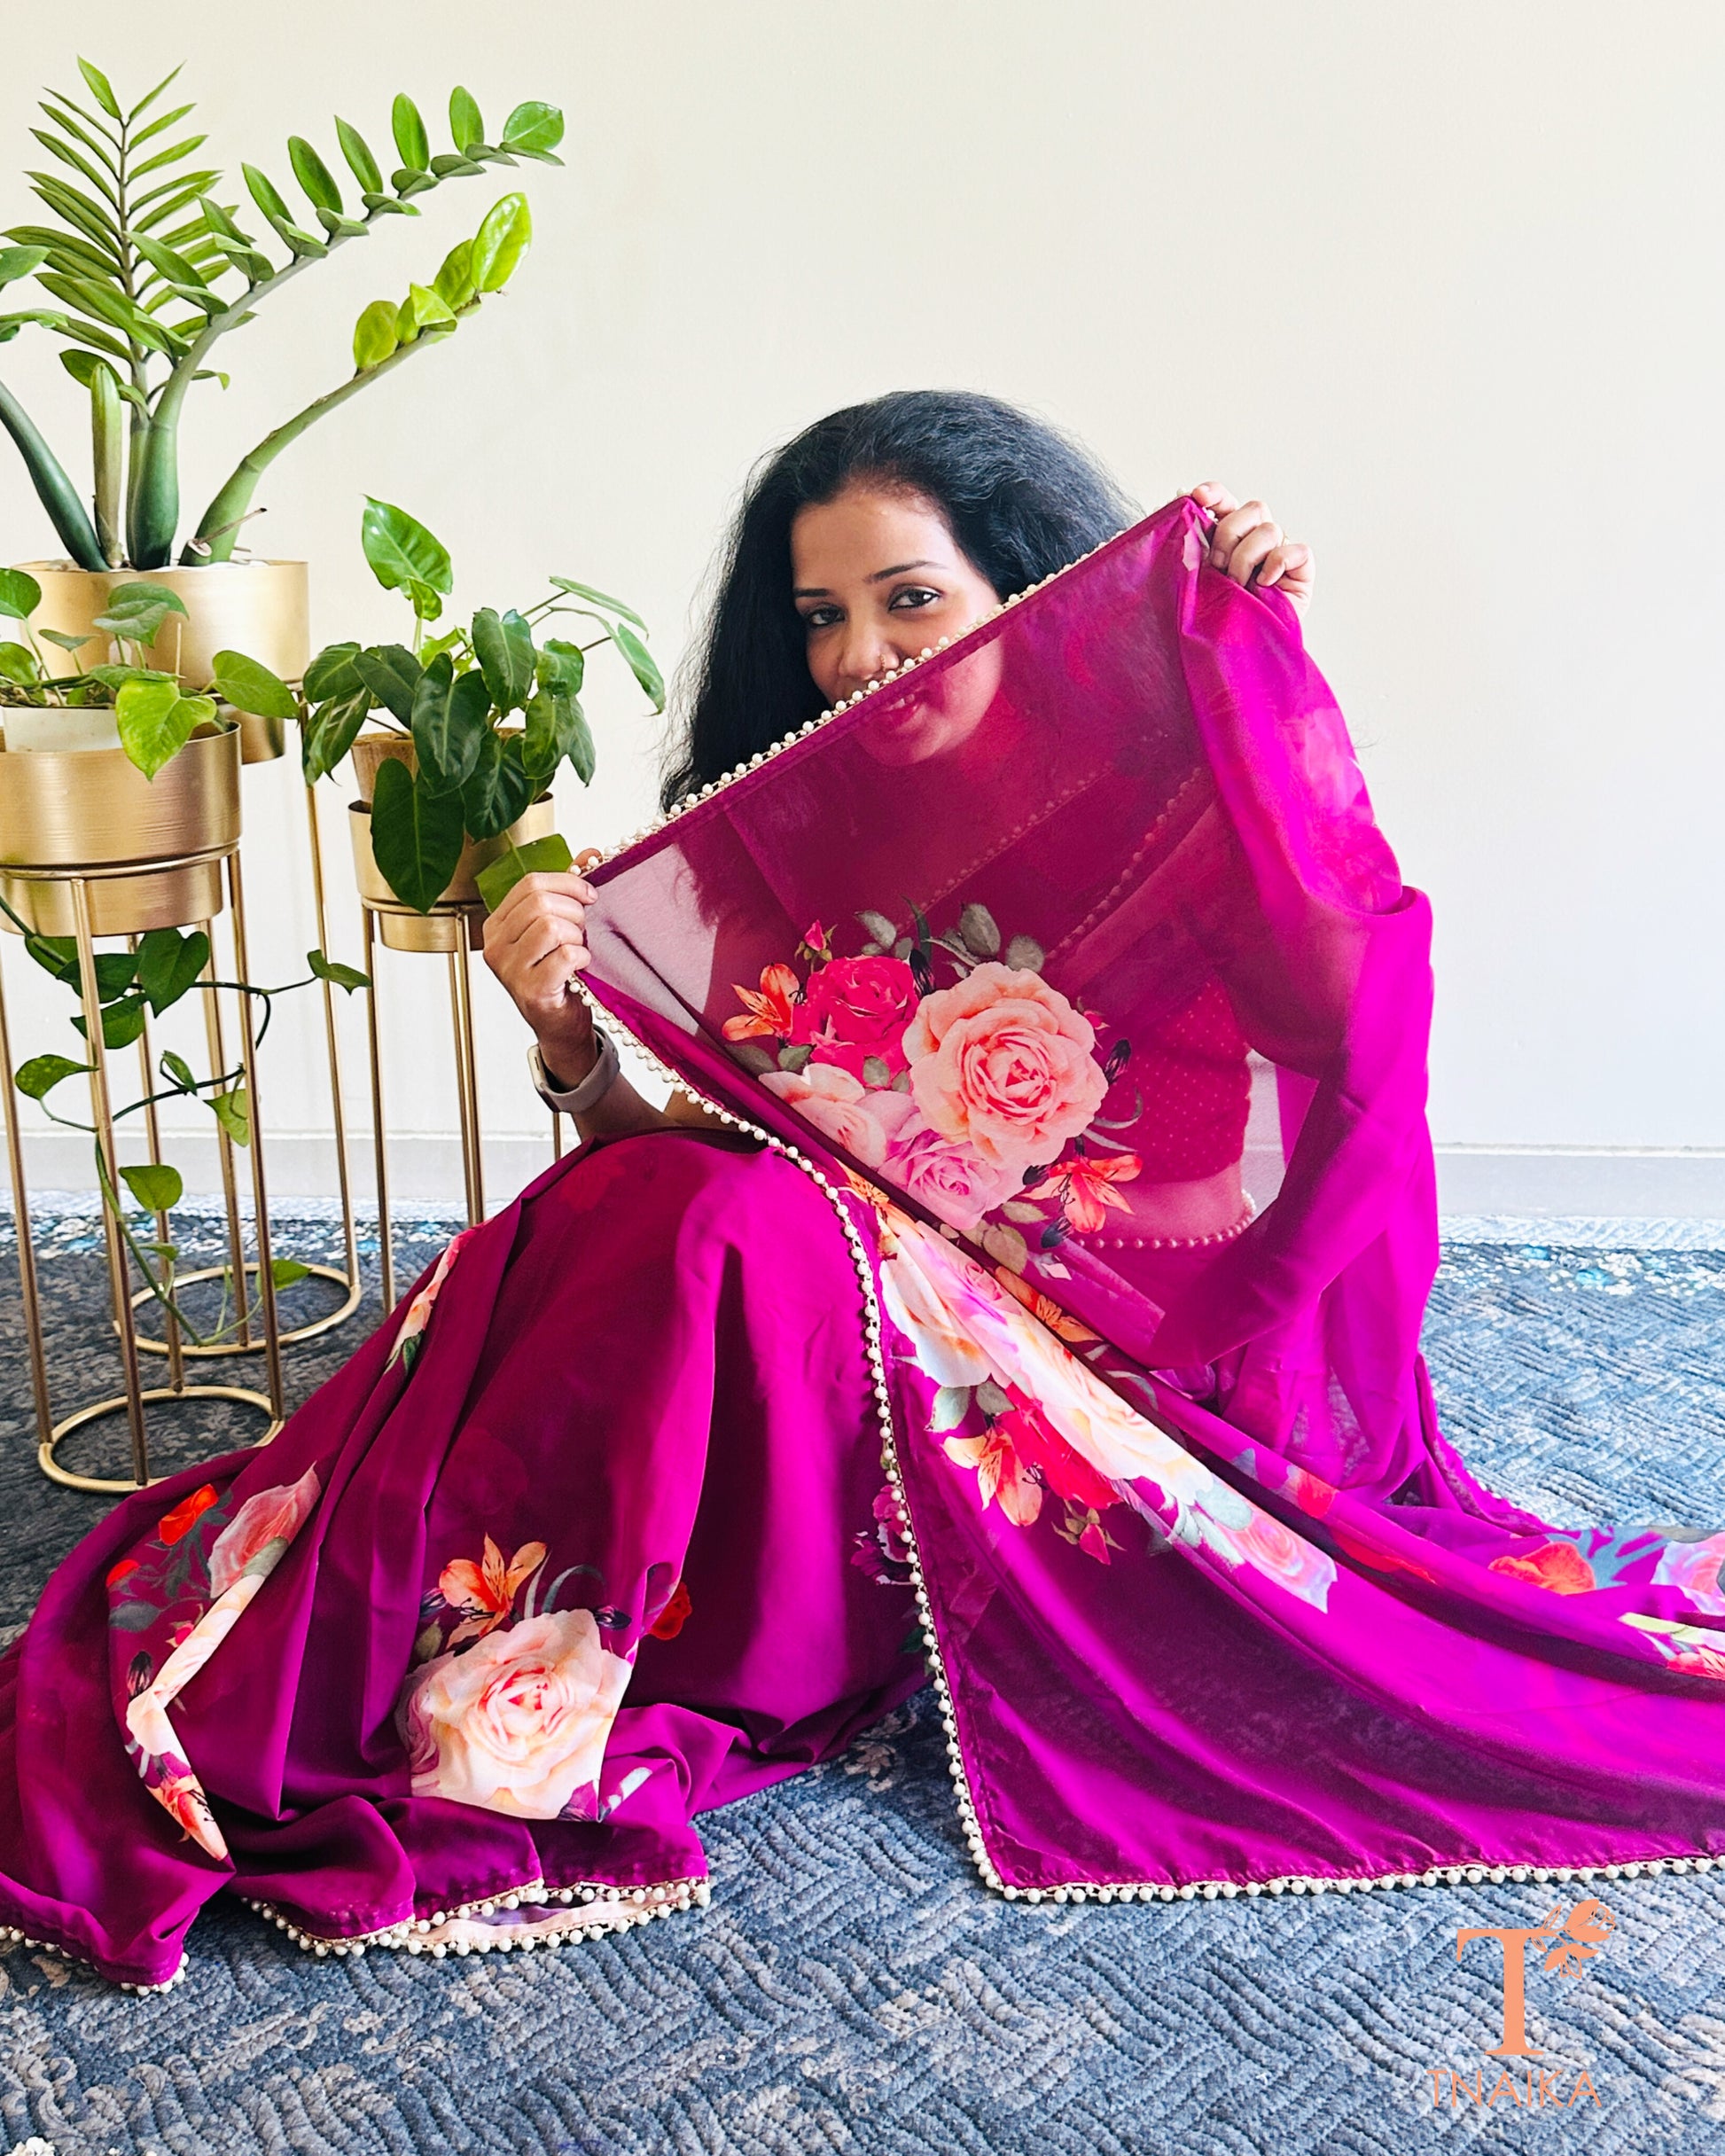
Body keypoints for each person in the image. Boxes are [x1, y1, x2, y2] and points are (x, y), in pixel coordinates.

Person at [6, 394, 1722, 1996]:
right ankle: (474, 1623)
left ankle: (534, 1638)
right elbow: (680, 1157)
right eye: (819, 615)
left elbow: (1322, 1071)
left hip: (1106, 1343)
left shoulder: (1163, 816)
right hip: (832, 1319)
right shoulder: (786, 850)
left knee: (712, 1217)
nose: (858, 654)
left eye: (908, 596)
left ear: (1027, 589)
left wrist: (1253, 680)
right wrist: (562, 1037)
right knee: (657, 1210)